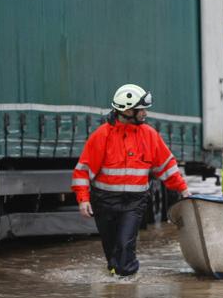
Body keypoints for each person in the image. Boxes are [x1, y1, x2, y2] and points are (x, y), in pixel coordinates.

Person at [71, 84, 190, 277]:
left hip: (134, 202)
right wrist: (83, 199)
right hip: (104, 201)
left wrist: (183, 190)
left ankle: (126, 291)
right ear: (126, 110)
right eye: (141, 109)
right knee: (112, 251)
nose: (145, 113)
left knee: (125, 245)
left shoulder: (149, 135)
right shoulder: (102, 136)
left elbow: (167, 167)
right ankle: (115, 285)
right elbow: (83, 171)